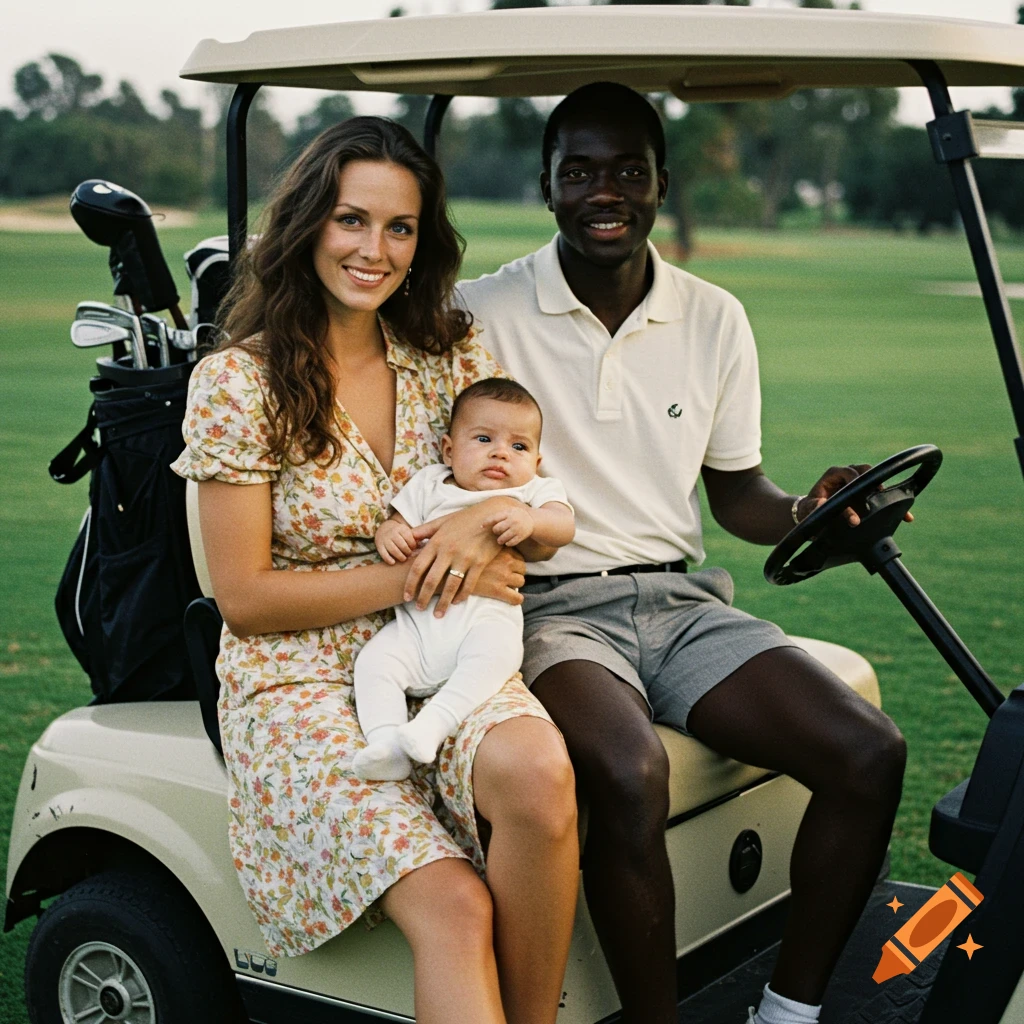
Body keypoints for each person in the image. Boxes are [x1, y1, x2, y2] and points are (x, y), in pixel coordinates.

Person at [457, 83, 907, 1024]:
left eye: (628, 169)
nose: (603, 190)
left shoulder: (713, 317)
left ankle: (787, 1011)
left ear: (661, 182)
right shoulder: (482, 310)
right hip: (546, 605)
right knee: (629, 771)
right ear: (547, 186)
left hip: (681, 601)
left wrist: (811, 511)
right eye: (578, 170)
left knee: (868, 754)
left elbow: (739, 494)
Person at [171, 116, 578, 1024]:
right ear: (309, 221)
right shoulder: (240, 382)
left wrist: (487, 543)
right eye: (352, 220)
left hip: (443, 639)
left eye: (400, 228)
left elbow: (510, 490)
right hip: (298, 673)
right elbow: (242, 598)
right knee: (453, 904)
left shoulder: (451, 355)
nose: (375, 249)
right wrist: (435, 569)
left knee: (542, 776)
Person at [353, 377, 574, 781]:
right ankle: (386, 743)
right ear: (449, 450)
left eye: (519, 447)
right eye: (484, 439)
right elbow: (397, 522)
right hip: (416, 628)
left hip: (483, 623)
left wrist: (531, 518)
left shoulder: (532, 493)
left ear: (537, 462)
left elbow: (563, 526)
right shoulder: (429, 484)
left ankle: (432, 725)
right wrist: (390, 533)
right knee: (374, 663)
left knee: (498, 655)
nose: (501, 454)